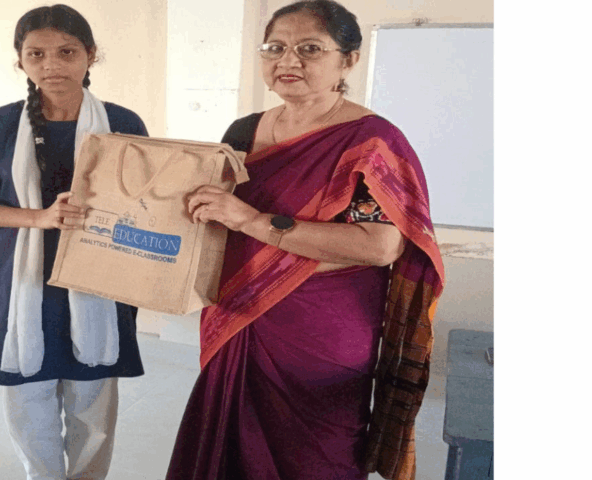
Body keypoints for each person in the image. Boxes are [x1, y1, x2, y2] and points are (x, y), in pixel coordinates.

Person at [165, 1, 445, 479]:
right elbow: (218, 216)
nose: (287, 60)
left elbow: (380, 246)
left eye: (309, 49)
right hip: (240, 310)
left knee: (316, 456)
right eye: (274, 48)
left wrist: (254, 222)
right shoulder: (243, 131)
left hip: (322, 328)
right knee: (231, 447)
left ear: (348, 60)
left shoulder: (371, 142)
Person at [0, 5, 148, 480]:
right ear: (20, 60)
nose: (51, 65)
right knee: (28, 400)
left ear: (91, 55)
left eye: (66, 52)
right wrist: (41, 218)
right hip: (17, 278)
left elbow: (145, 201)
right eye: (36, 54)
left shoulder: (121, 122)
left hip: (99, 275)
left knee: (93, 404)